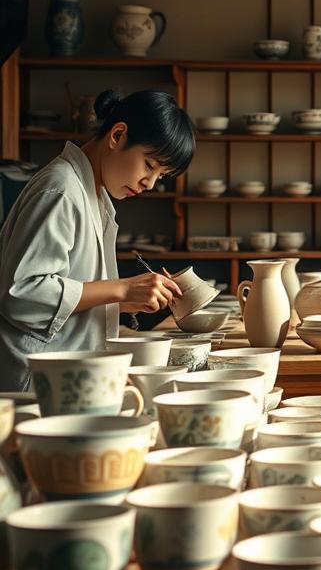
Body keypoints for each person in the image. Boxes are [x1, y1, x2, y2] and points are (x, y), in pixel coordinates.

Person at [0, 89, 196, 391]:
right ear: (117, 136)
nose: (150, 183)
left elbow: (71, 291)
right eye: (149, 165)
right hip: (35, 381)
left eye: (161, 175)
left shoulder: (94, 193)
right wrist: (122, 288)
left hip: (68, 375)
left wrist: (126, 300)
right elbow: (23, 293)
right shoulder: (61, 189)